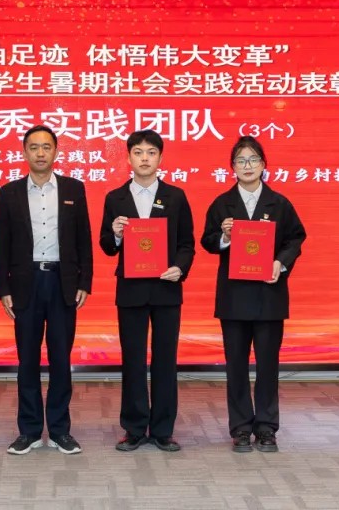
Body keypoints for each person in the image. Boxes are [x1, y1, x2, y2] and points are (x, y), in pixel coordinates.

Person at [201, 135, 306, 453]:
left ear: (263, 165)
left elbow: (295, 239)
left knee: (267, 365)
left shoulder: (279, 203)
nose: (247, 166)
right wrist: (224, 236)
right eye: (240, 160)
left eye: (253, 160)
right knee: (235, 366)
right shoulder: (222, 203)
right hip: (234, 297)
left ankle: (266, 427)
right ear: (232, 167)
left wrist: (280, 263)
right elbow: (206, 241)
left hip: (269, 296)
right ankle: (241, 428)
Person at [0, 124, 94, 455]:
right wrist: (3, 287)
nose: (40, 153)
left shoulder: (73, 189)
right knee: (27, 360)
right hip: (25, 284)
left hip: (62, 282)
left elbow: (83, 239)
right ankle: (30, 431)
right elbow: (3, 243)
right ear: (24, 152)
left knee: (61, 359)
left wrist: (84, 281)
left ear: (56, 151)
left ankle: (61, 430)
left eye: (46, 147)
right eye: (34, 147)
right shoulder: (10, 192)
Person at [99, 129, 195, 453]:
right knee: (133, 361)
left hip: (166, 289)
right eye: (138, 152)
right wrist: (115, 234)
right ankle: (135, 428)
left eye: (151, 152)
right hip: (131, 290)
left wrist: (179, 268)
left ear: (160, 158)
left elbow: (186, 243)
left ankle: (164, 429)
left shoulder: (175, 196)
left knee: (166, 360)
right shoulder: (115, 198)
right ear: (128, 158)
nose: (144, 158)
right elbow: (106, 246)